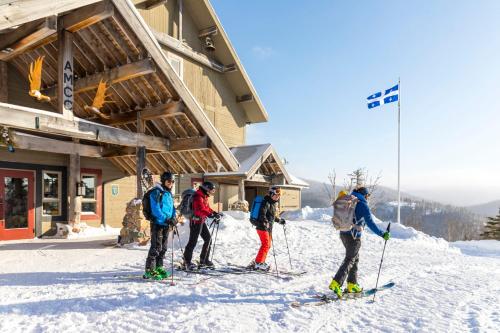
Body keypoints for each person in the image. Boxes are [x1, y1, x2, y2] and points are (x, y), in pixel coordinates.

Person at [328, 187, 390, 298]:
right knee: (350, 259)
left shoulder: (349, 200)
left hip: (343, 233)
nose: (368, 198)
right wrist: (382, 234)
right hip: (353, 236)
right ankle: (336, 283)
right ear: (365, 195)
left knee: (354, 258)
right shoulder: (362, 205)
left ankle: (352, 284)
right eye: (368, 196)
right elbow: (370, 223)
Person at [144, 172, 177, 279]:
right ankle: (149, 270)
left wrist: (173, 218)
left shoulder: (168, 193)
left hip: (166, 224)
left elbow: (172, 208)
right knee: (156, 247)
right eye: (169, 181)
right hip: (157, 223)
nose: (171, 183)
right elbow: (156, 209)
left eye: (172, 181)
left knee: (163, 248)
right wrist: (166, 219)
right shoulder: (156, 192)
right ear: (163, 181)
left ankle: (159, 267)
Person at [183, 181, 222, 270]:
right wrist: (210, 215)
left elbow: (206, 208)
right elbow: (199, 210)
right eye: (211, 190)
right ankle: (187, 261)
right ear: (206, 189)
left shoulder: (203, 196)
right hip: (195, 222)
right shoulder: (197, 197)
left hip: (201, 221)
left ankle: (204, 260)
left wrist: (214, 213)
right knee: (192, 242)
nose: (211, 193)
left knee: (208, 239)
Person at [253, 186, 286, 271]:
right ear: (271, 194)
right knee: (265, 244)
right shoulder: (265, 202)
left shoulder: (273, 203)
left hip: (269, 228)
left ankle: (260, 261)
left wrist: (279, 220)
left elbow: (272, 217)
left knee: (268, 245)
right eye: (276, 195)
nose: (277, 197)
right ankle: (258, 263)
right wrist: (265, 222)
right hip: (262, 226)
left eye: (279, 195)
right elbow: (262, 214)